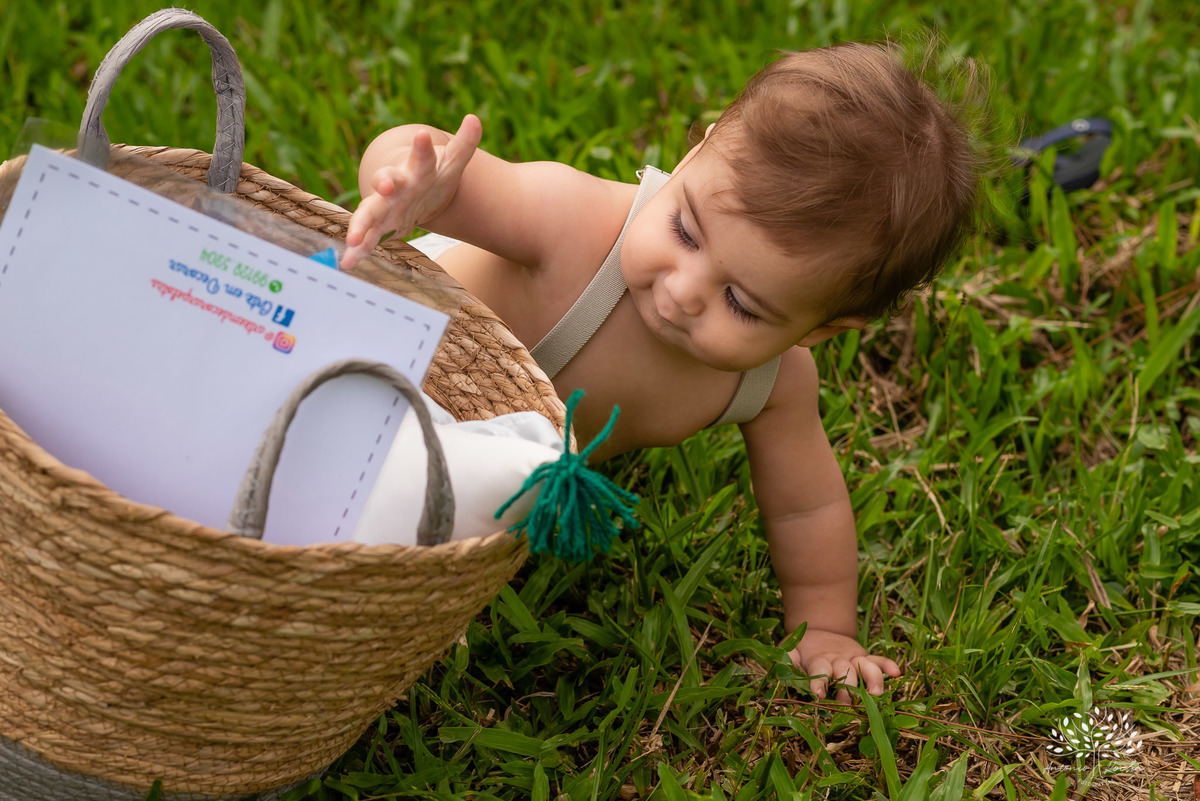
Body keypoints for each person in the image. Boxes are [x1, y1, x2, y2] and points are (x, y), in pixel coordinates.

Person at [341, 41, 983, 703]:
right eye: (685, 230)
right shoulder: (573, 223)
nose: (681, 290)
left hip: (469, 462)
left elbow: (807, 505)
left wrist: (825, 628)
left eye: (741, 303)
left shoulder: (772, 384)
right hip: (380, 359)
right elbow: (432, 164)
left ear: (820, 330)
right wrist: (417, 184)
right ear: (693, 154)